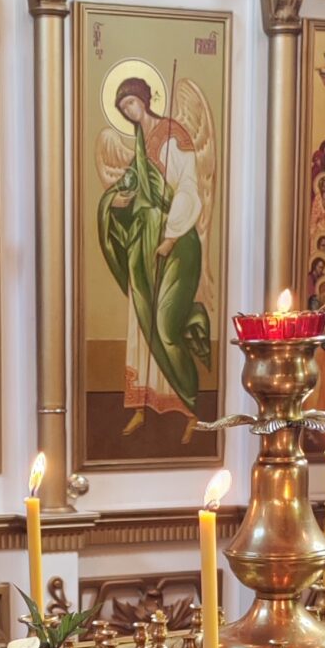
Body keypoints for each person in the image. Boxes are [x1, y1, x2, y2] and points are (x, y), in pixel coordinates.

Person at [98, 76, 209, 436]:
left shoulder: (173, 135)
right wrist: (115, 203)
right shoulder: (140, 145)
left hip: (175, 242)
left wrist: (171, 237)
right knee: (141, 324)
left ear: (144, 100)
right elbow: (132, 189)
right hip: (142, 242)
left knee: (165, 326)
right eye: (123, 108)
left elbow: (188, 187)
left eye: (131, 102)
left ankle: (191, 409)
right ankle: (142, 406)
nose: (129, 111)